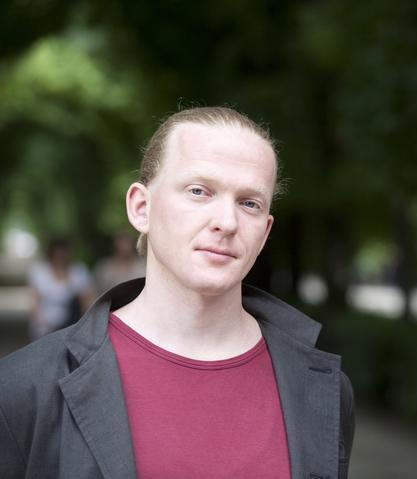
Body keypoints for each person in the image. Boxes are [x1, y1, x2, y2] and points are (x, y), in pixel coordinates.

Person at [0, 107, 354, 478]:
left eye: (249, 203)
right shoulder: (22, 389)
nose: (227, 222)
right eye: (199, 191)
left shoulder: (324, 391)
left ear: (264, 233)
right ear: (141, 208)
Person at [27, 237, 95, 340]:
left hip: (72, 325)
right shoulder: (39, 271)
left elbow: (87, 301)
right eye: (58, 252)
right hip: (45, 326)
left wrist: (84, 325)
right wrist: (43, 323)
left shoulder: (79, 271)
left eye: (64, 252)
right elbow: (34, 302)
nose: (61, 256)